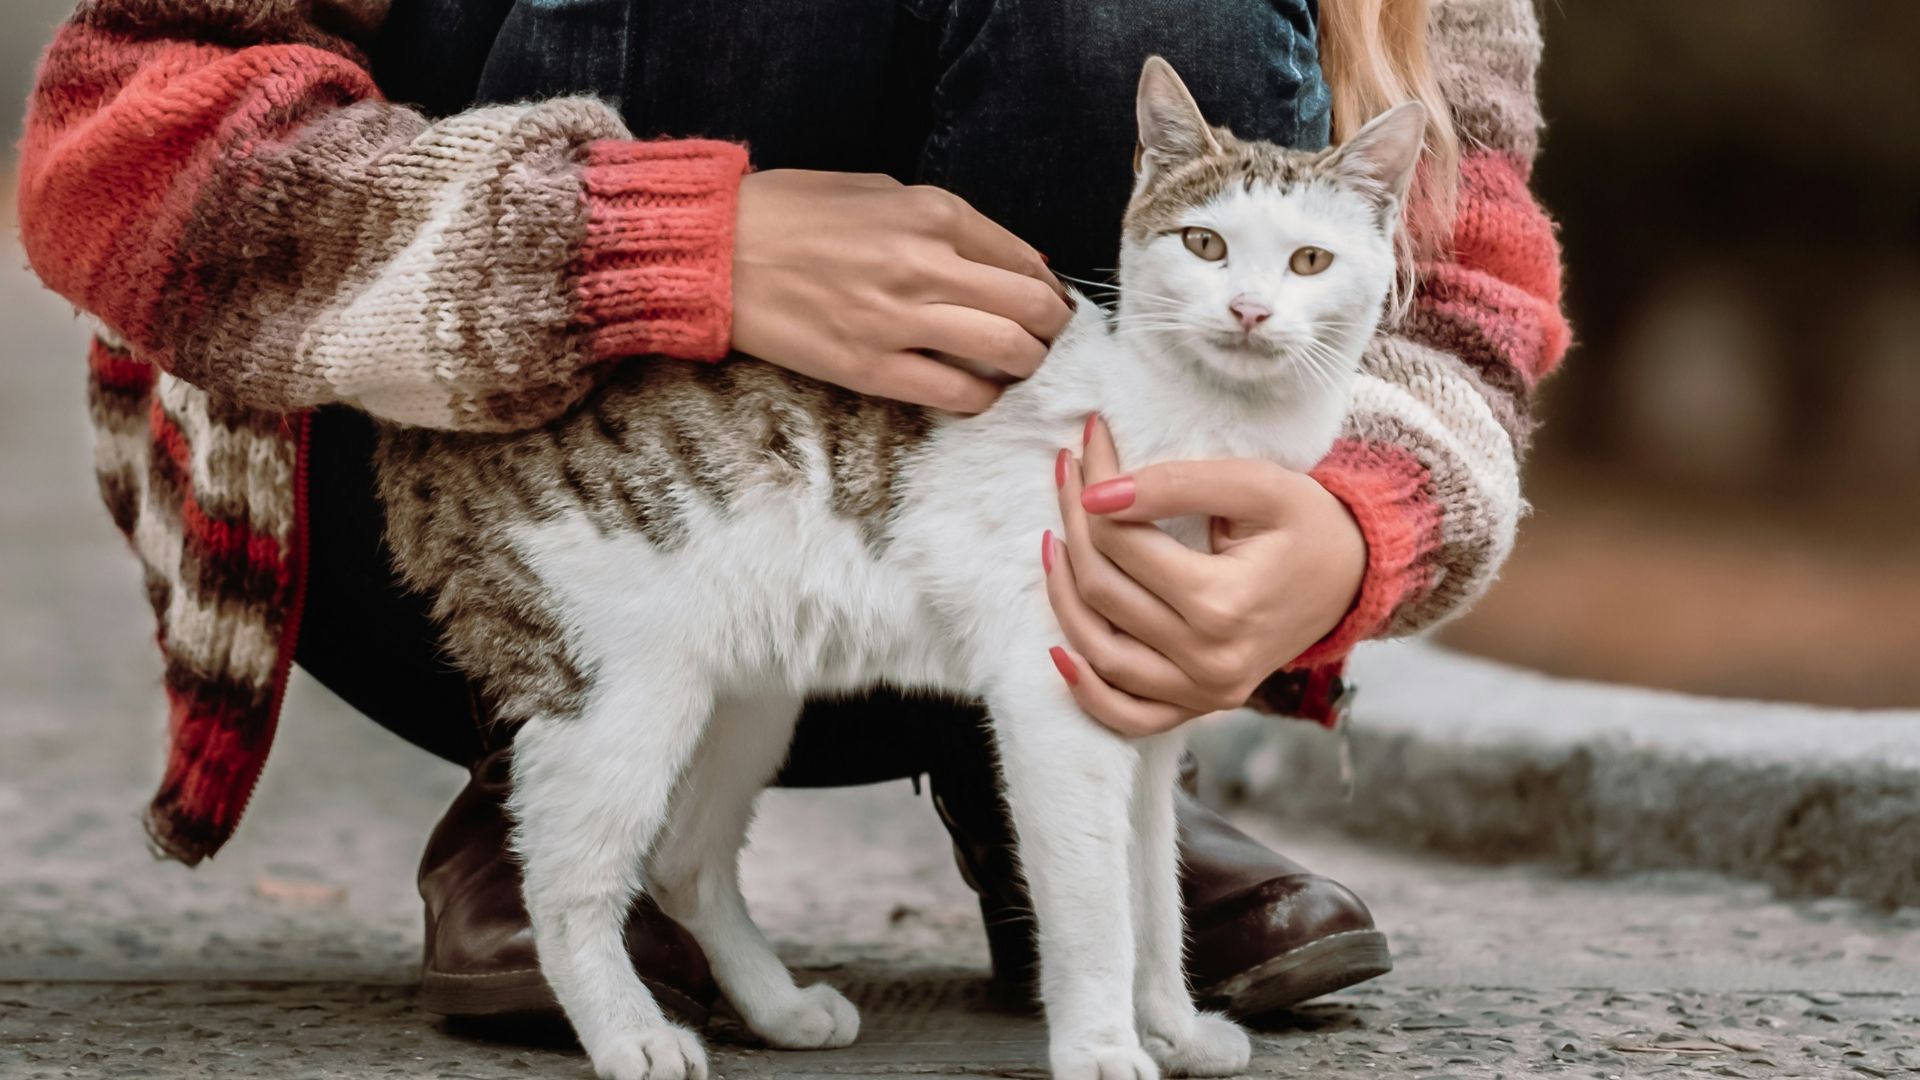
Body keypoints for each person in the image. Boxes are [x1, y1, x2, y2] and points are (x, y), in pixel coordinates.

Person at [17, 0, 1566, 1030]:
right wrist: (644, 241)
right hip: (476, 500)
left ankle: (1048, 775)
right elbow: (114, 151)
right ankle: (558, 786)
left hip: (995, 560)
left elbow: (1469, 273)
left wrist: (1359, 524)